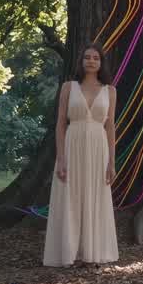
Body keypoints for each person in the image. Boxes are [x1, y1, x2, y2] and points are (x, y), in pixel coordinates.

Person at [42, 43, 120, 267]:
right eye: (87, 57)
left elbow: (111, 126)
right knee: (71, 196)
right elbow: (60, 124)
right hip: (72, 144)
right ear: (81, 61)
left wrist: (111, 163)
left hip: (98, 148)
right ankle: (68, 252)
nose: (91, 61)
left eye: (96, 58)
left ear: (101, 62)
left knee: (94, 196)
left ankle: (91, 251)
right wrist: (61, 157)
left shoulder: (110, 91)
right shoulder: (69, 87)